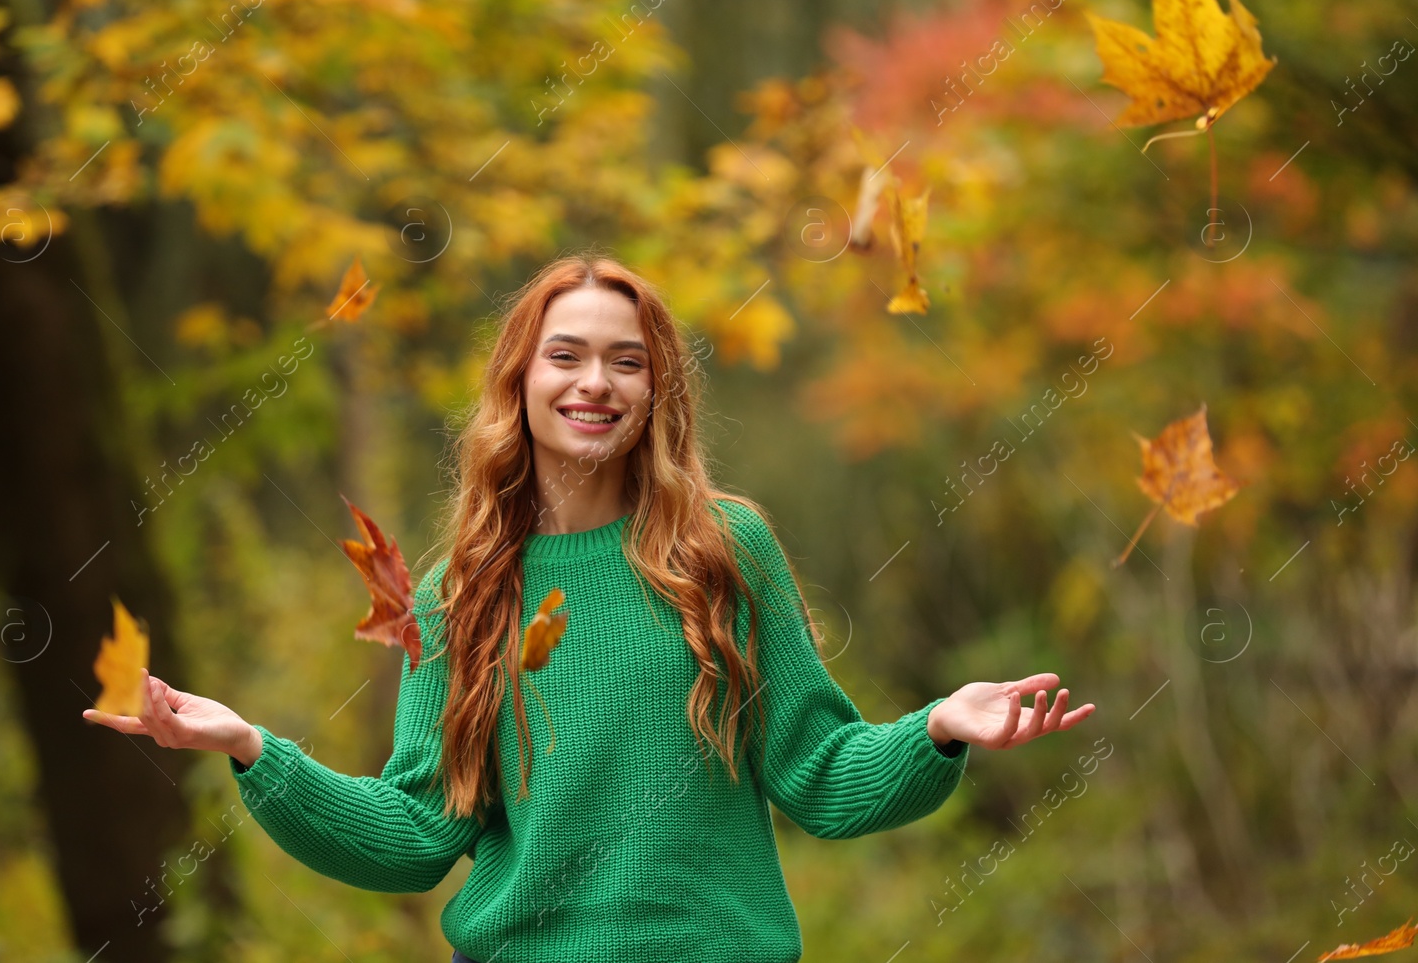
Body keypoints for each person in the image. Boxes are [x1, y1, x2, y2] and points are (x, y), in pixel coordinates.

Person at [84, 251, 1097, 962]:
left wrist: (937, 728)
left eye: (627, 357)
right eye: (565, 353)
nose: (595, 381)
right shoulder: (460, 593)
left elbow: (819, 775)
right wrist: (255, 747)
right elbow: (412, 830)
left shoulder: (721, 548)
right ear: (520, 379)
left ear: (656, 388)